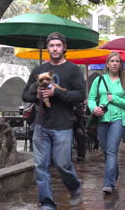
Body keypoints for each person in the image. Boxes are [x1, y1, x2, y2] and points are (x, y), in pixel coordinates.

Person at [22, 32, 85, 210]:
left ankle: (74, 186)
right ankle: (47, 204)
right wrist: (37, 93)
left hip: (63, 125)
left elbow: (80, 96)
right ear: (47, 48)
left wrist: (55, 92)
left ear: (64, 47)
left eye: (58, 45)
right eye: (51, 46)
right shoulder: (38, 71)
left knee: (62, 164)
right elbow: (25, 95)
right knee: (40, 165)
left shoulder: (73, 70)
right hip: (41, 125)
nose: (55, 48)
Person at [88, 52, 125, 194]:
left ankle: (108, 183)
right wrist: (94, 108)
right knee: (105, 150)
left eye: (117, 61)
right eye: (112, 61)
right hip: (102, 119)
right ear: (107, 64)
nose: (115, 63)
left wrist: (114, 99)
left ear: (121, 65)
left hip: (119, 119)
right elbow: (91, 98)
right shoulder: (99, 80)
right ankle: (113, 172)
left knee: (111, 150)